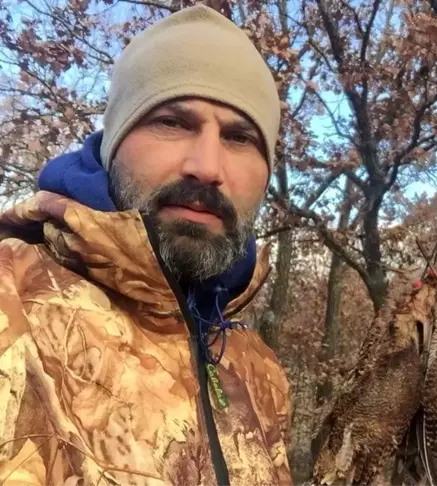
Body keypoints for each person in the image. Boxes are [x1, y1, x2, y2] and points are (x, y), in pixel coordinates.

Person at [0, 5, 292, 486]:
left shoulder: (257, 367)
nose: (206, 166)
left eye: (240, 137)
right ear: (114, 143)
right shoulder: (15, 300)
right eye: (173, 123)